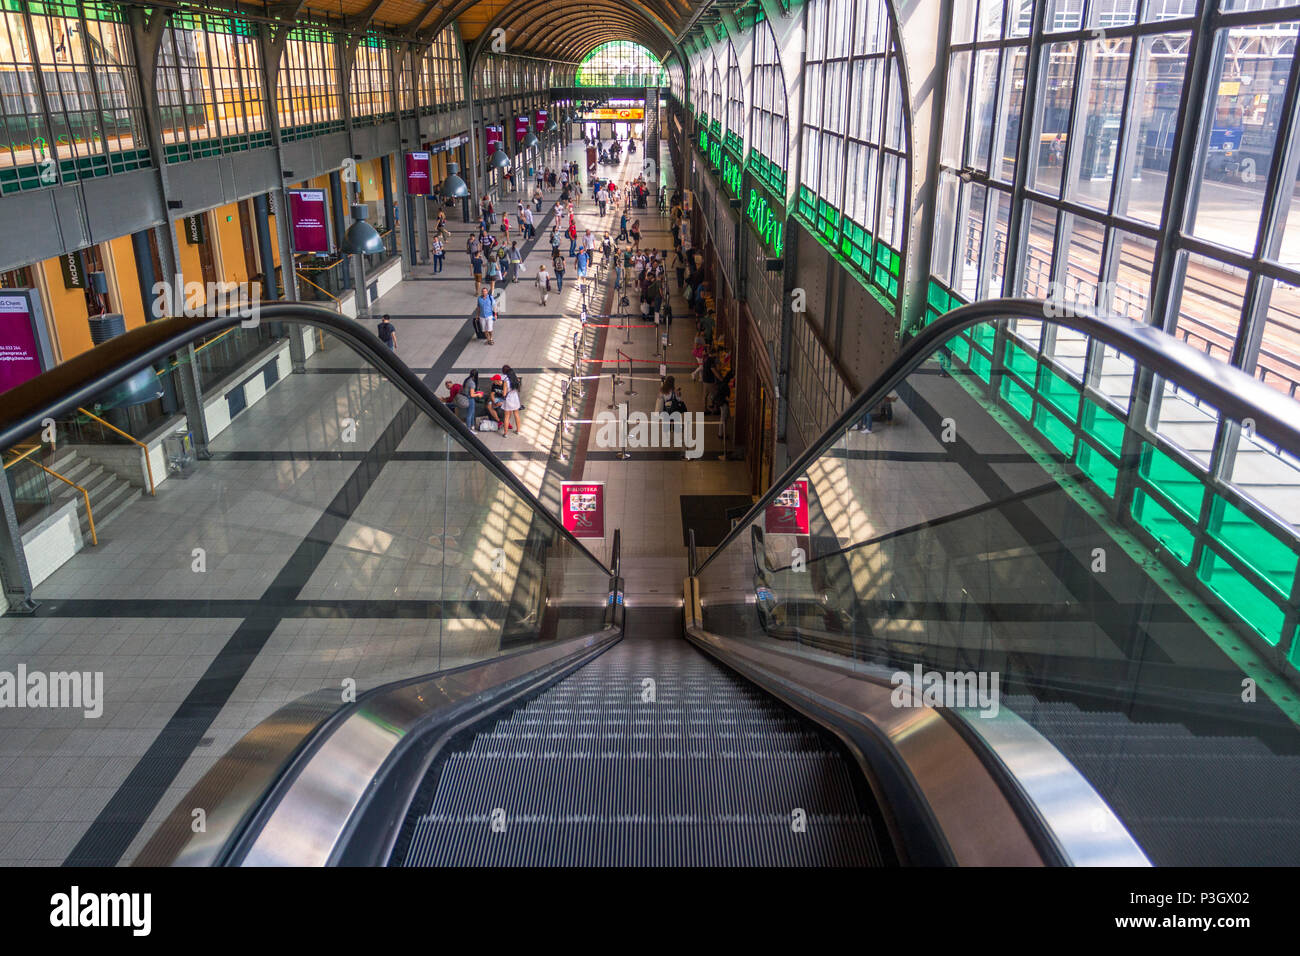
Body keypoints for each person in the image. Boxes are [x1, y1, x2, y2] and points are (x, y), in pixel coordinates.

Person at [500, 365, 522, 437]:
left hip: (508, 399)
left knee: (506, 416)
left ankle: (505, 433)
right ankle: (518, 430)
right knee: (516, 414)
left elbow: (504, 393)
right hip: (515, 398)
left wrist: (502, 392)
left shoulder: (506, 381)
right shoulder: (516, 379)